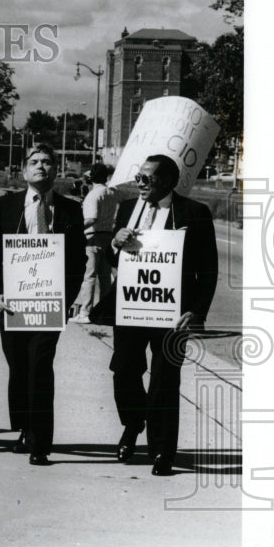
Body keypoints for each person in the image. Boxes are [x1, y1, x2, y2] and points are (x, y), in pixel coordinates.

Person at [101, 153, 218, 476]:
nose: (139, 182)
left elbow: (208, 270)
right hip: (131, 307)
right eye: (138, 176)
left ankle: (162, 452)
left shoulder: (194, 213)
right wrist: (115, 243)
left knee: (165, 381)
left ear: (167, 180)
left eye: (147, 178)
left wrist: (196, 311)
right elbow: (115, 263)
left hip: (172, 313)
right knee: (124, 370)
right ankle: (133, 423)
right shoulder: (127, 209)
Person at [0, 144, 86, 466]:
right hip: (12, 304)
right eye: (35, 162)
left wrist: (65, 299)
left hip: (48, 305)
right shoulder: (7, 205)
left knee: (40, 366)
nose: (41, 167)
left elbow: (78, 261)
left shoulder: (71, 210)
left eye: (47, 161)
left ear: (56, 170)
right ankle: (25, 426)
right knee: (18, 366)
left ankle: (41, 442)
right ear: (24, 170)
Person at [72, 163, 119, 323]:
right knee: (104, 277)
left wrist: (74, 228)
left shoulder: (93, 195)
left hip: (93, 237)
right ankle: (104, 312)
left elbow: (91, 218)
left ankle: (85, 312)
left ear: (91, 178)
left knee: (89, 276)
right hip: (107, 236)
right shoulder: (111, 193)